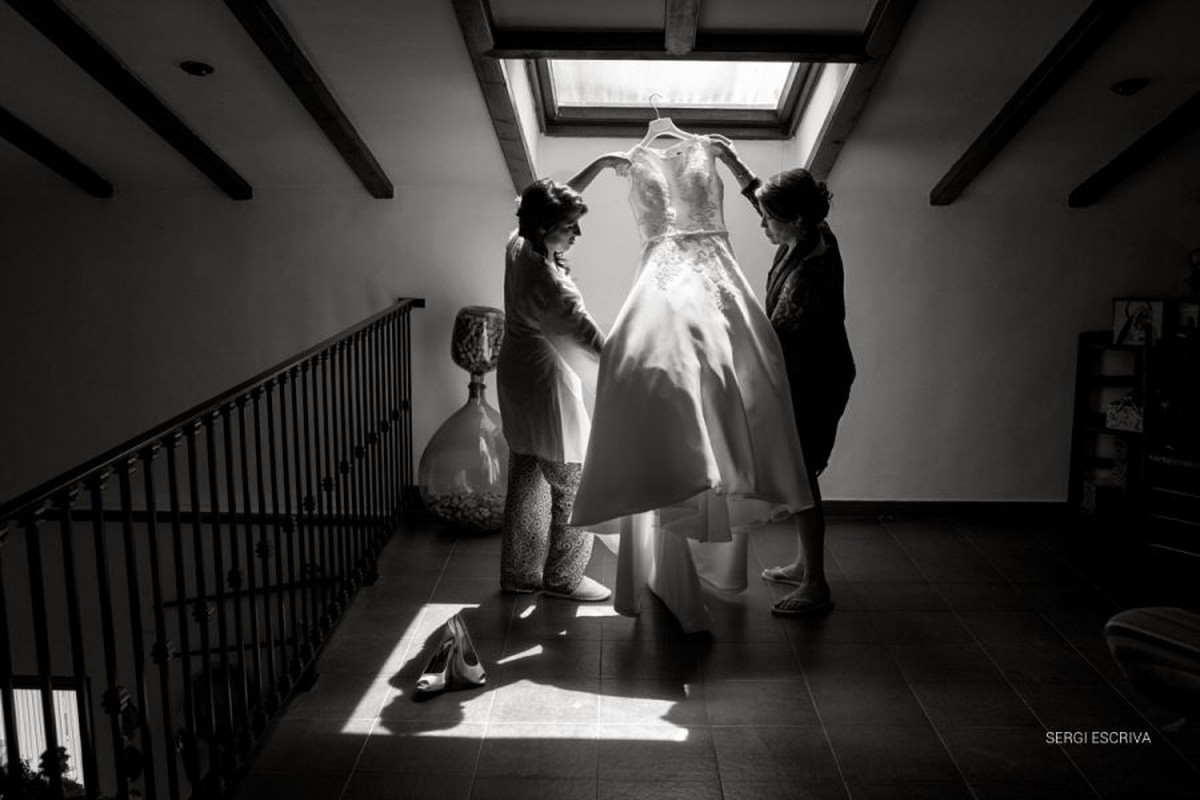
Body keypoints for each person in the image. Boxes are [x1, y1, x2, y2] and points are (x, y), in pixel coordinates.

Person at [569, 125, 815, 632]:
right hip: (660, 280)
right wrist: (601, 164)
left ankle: (717, 548)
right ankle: (672, 539)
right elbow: (554, 201)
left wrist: (734, 160)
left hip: (717, 277)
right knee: (667, 393)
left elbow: (764, 199)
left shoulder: (710, 148)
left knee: (734, 394)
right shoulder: (631, 159)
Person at [715, 145, 855, 616]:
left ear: (795, 220)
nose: (762, 225)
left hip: (816, 380)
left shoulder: (810, 276)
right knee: (801, 472)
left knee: (802, 475)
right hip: (806, 371)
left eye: (770, 220)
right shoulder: (810, 230)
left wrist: (721, 324)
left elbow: (771, 338)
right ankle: (803, 563)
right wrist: (730, 159)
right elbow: (765, 200)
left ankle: (816, 584)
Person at [497, 158, 623, 602]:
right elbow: (592, 343)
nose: (577, 234)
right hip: (545, 391)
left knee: (528, 474)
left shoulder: (519, 244)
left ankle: (518, 574)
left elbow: (544, 194)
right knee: (577, 486)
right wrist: (641, 367)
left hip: (515, 377)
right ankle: (564, 579)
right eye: (570, 226)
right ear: (545, 226)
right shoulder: (549, 284)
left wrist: (602, 165)